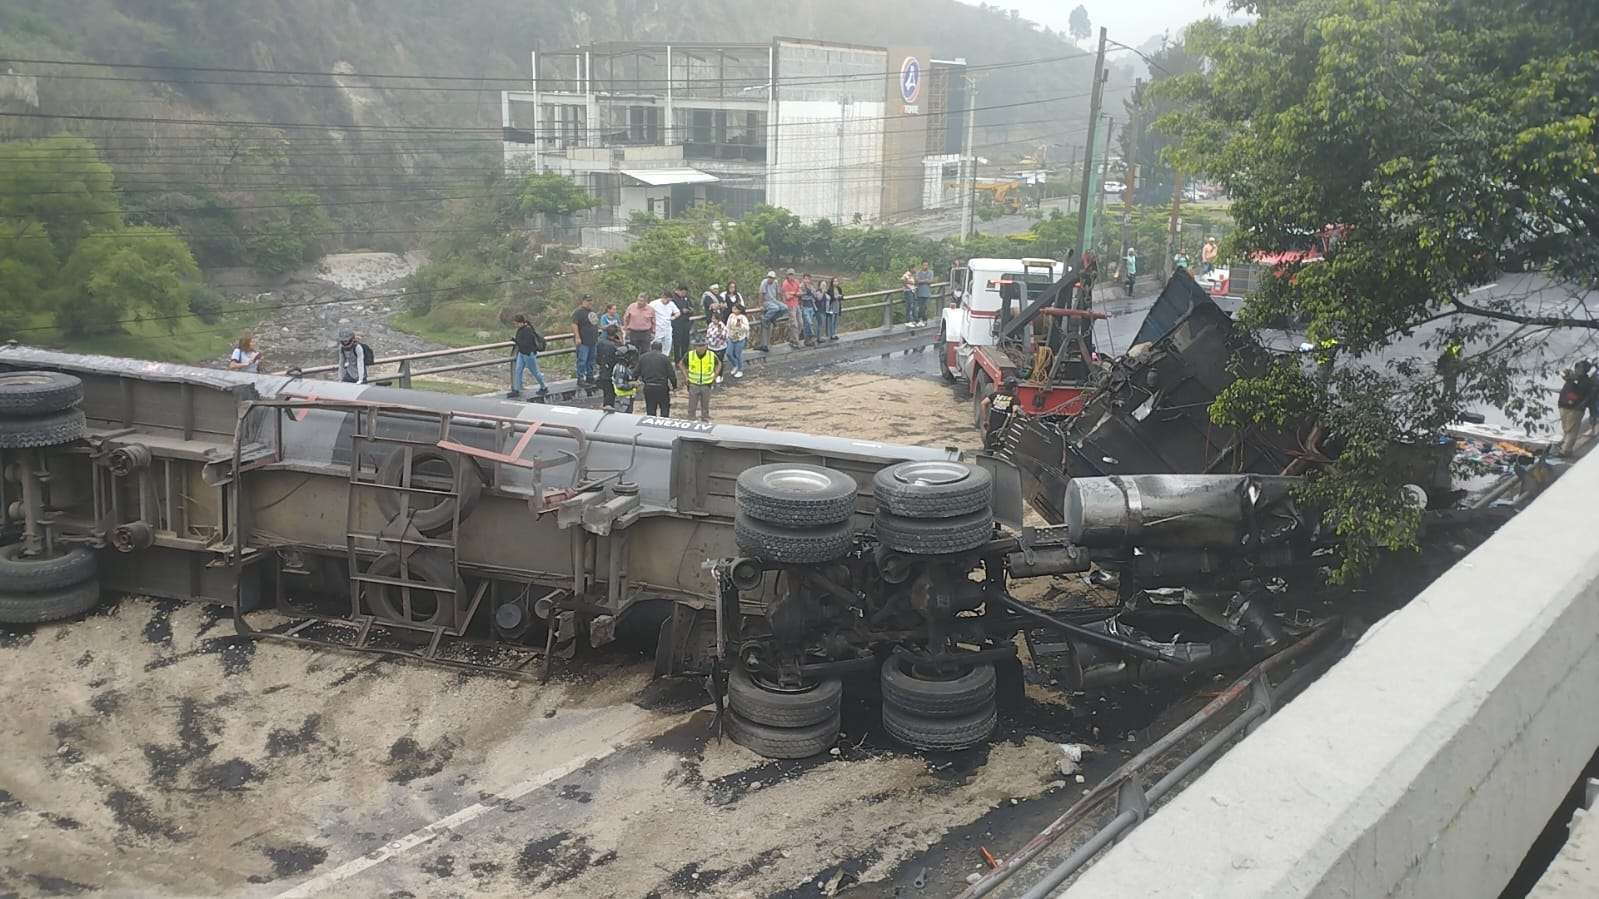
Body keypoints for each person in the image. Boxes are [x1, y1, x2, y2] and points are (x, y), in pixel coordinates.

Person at [1556, 361, 1595, 456]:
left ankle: (1565, 450)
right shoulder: (1574, 378)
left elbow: (1585, 395)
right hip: (1564, 406)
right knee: (1567, 429)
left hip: (1575, 408)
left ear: (1586, 370)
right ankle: (1564, 448)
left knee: (1571, 431)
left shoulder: (1586, 381)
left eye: (1581, 368)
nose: (1578, 370)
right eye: (1577, 367)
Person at [681, 334, 721, 423]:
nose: (701, 348)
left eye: (703, 345)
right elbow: (681, 364)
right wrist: (686, 377)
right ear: (695, 346)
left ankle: (705, 419)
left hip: (707, 384)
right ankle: (691, 420)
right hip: (693, 384)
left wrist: (714, 376)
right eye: (699, 346)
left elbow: (719, 364)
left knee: (705, 404)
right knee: (692, 405)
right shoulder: (690, 355)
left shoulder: (711, 355)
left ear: (706, 345)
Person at [508, 314, 548, 398]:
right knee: (518, 370)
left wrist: (516, 341)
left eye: (516, 323)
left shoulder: (527, 330)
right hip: (522, 353)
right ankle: (516, 389)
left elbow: (526, 343)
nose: (515, 325)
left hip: (528, 354)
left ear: (521, 322)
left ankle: (544, 387)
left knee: (535, 372)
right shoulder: (521, 329)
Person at [638, 339, 677, 417]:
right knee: (664, 409)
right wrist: (674, 386)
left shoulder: (643, 357)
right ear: (661, 349)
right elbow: (671, 374)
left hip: (648, 387)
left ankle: (651, 428)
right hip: (662, 387)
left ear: (651, 348)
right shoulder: (665, 358)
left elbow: (636, 372)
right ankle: (663, 427)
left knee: (650, 410)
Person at [570, 294, 599, 388]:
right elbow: (574, 324)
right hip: (583, 342)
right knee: (582, 360)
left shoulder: (592, 312)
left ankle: (590, 377)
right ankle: (580, 378)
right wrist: (577, 337)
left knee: (591, 360)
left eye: (590, 300)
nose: (589, 302)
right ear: (583, 301)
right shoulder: (578, 312)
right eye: (587, 301)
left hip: (592, 341)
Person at [595, 325, 621, 410]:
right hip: (611, 372)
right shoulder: (615, 346)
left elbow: (597, 357)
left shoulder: (600, 343)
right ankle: (609, 408)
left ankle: (606, 406)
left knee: (606, 393)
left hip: (603, 370)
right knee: (610, 394)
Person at [648, 290, 679, 359]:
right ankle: (654, 359)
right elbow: (647, 311)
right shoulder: (654, 303)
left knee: (667, 346)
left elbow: (678, 312)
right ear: (663, 297)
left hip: (667, 328)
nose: (668, 302)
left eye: (669, 300)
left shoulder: (671, 304)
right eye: (667, 300)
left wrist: (674, 317)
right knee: (655, 345)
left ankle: (665, 359)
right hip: (657, 328)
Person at [671, 285, 695, 365]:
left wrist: (690, 310)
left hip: (686, 322)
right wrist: (681, 311)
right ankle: (678, 361)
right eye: (682, 292)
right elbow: (671, 311)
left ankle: (685, 360)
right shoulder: (673, 299)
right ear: (678, 290)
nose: (684, 294)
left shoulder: (687, 299)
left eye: (685, 292)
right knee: (677, 344)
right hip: (677, 324)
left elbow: (691, 307)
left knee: (685, 343)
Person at [725, 303, 750, 379]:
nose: (734, 310)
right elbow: (728, 326)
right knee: (729, 353)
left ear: (739, 310)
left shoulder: (743, 317)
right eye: (733, 308)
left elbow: (747, 328)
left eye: (735, 309)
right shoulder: (731, 316)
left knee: (737, 354)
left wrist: (741, 325)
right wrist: (727, 335)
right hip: (731, 337)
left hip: (740, 338)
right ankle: (735, 364)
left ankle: (740, 369)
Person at [612, 345, 639, 413]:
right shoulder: (621, 369)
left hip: (627, 399)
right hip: (622, 401)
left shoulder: (625, 367)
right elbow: (620, 385)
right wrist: (632, 385)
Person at [780, 268, 803, 347]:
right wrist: (795, 293)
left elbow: (800, 293)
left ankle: (793, 339)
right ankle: (796, 341)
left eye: (792, 274)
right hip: (790, 305)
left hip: (797, 304)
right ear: (787, 275)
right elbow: (787, 297)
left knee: (800, 323)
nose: (791, 276)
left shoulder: (796, 281)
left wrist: (793, 293)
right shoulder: (785, 284)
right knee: (794, 324)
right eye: (790, 274)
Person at [704, 313, 730, 383]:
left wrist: (720, 331)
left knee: (719, 361)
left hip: (720, 347)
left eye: (714, 319)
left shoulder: (722, 326)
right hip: (711, 346)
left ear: (718, 319)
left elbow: (725, 337)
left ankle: (719, 375)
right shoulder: (711, 325)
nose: (712, 320)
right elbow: (708, 334)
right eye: (712, 318)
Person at [799, 273, 822, 347]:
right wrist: (806, 291)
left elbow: (815, 295)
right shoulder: (801, 286)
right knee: (809, 323)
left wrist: (811, 292)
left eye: (808, 279)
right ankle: (811, 337)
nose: (807, 280)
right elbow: (799, 294)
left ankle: (807, 340)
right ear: (803, 279)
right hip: (804, 307)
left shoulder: (812, 287)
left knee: (808, 324)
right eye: (805, 279)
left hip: (811, 307)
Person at [822, 277, 844, 341]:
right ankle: (831, 334)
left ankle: (835, 333)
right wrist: (837, 296)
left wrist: (840, 296)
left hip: (837, 305)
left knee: (836, 320)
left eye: (836, 281)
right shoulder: (830, 289)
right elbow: (831, 298)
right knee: (831, 320)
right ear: (832, 282)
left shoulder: (839, 288)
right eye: (834, 281)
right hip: (832, 306)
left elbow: (841, 297)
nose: (835, 282)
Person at [913, 260, 934, 326]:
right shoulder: (918, 272)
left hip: (927, 293)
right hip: (919, 292)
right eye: (924, 265)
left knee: (925, 307)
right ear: (921, 265)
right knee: (920, 307)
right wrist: (925, 280)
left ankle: (924, 320)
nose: (925, 266)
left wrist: (922, 281)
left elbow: (930, 281)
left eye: (926, 265)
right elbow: (916, 281)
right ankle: (919, 320)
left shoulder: (930, 272)